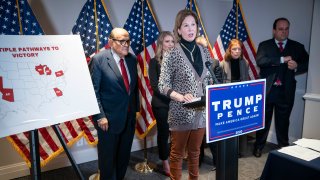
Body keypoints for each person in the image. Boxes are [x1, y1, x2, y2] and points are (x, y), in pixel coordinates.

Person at [158, 9, 218, 179]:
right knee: (177, 155)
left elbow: (208, 80)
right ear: (178, 30)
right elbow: (162, 85)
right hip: (181, 112)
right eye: (186, 25)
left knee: (195, 153)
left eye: (193, 24)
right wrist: (180, 96)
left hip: (202, 112)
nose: (190, 29)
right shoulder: (172, 53)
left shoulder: (204, 51)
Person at [253, 17, 309, 157]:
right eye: (280, 29)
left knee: (283, 123)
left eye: (286, 29)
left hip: (286, 91)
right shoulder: (264, 45)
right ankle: (258, 146)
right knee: (263, 122)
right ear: (274, 30)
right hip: (268, 91)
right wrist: (281, 60)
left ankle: (283, 148)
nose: (284, 32)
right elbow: (260, 61)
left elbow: (308, 62)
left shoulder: (297, 46)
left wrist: (297, 66)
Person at [90, 28, 139, 179]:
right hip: (108, 121)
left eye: (128, 41)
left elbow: (133, 89)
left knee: (123, 157)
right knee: (108, 161)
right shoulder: (99, 60)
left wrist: (135, 111)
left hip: (128, 118)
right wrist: (100, 116)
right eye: (121, 41)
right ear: (111, 42)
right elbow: (93, 92)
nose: (126, 44)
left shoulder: (131, 59)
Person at [148, 31, 174, 176]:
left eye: (172, 41)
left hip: (177, 104)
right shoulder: (154, 62)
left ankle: (174, 158)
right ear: (161, 44)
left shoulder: (177, 61)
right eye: (167, 41)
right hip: (161, 104)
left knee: (176, 133)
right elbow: (155, 86)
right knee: (164, 133)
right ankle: (165, 162)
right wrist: (173, 96)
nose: (170, 44)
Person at [220, 38, 249, 157]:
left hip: (241, 95)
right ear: (229, 50)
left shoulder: (245, 62)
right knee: (229, 124)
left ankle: (241, 150)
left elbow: (246, 79)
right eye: (234, 49)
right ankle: (228, 149)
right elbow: (220, 82)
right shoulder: (223, 63)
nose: (237, 51)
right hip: (227, 96)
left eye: (239, 49)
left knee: (241, 124)